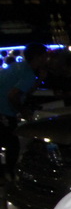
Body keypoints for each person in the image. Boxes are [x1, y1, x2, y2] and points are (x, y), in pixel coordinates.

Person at [0, 43, 47, 178]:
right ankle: (9, 175)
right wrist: (23, 110)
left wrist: (40, 80)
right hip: (4, 111)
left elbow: (24, 91)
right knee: (13, 144)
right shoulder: (28, 74)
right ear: (38, 57)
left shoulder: (16, 66)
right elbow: (13, 95)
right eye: (45, 56)